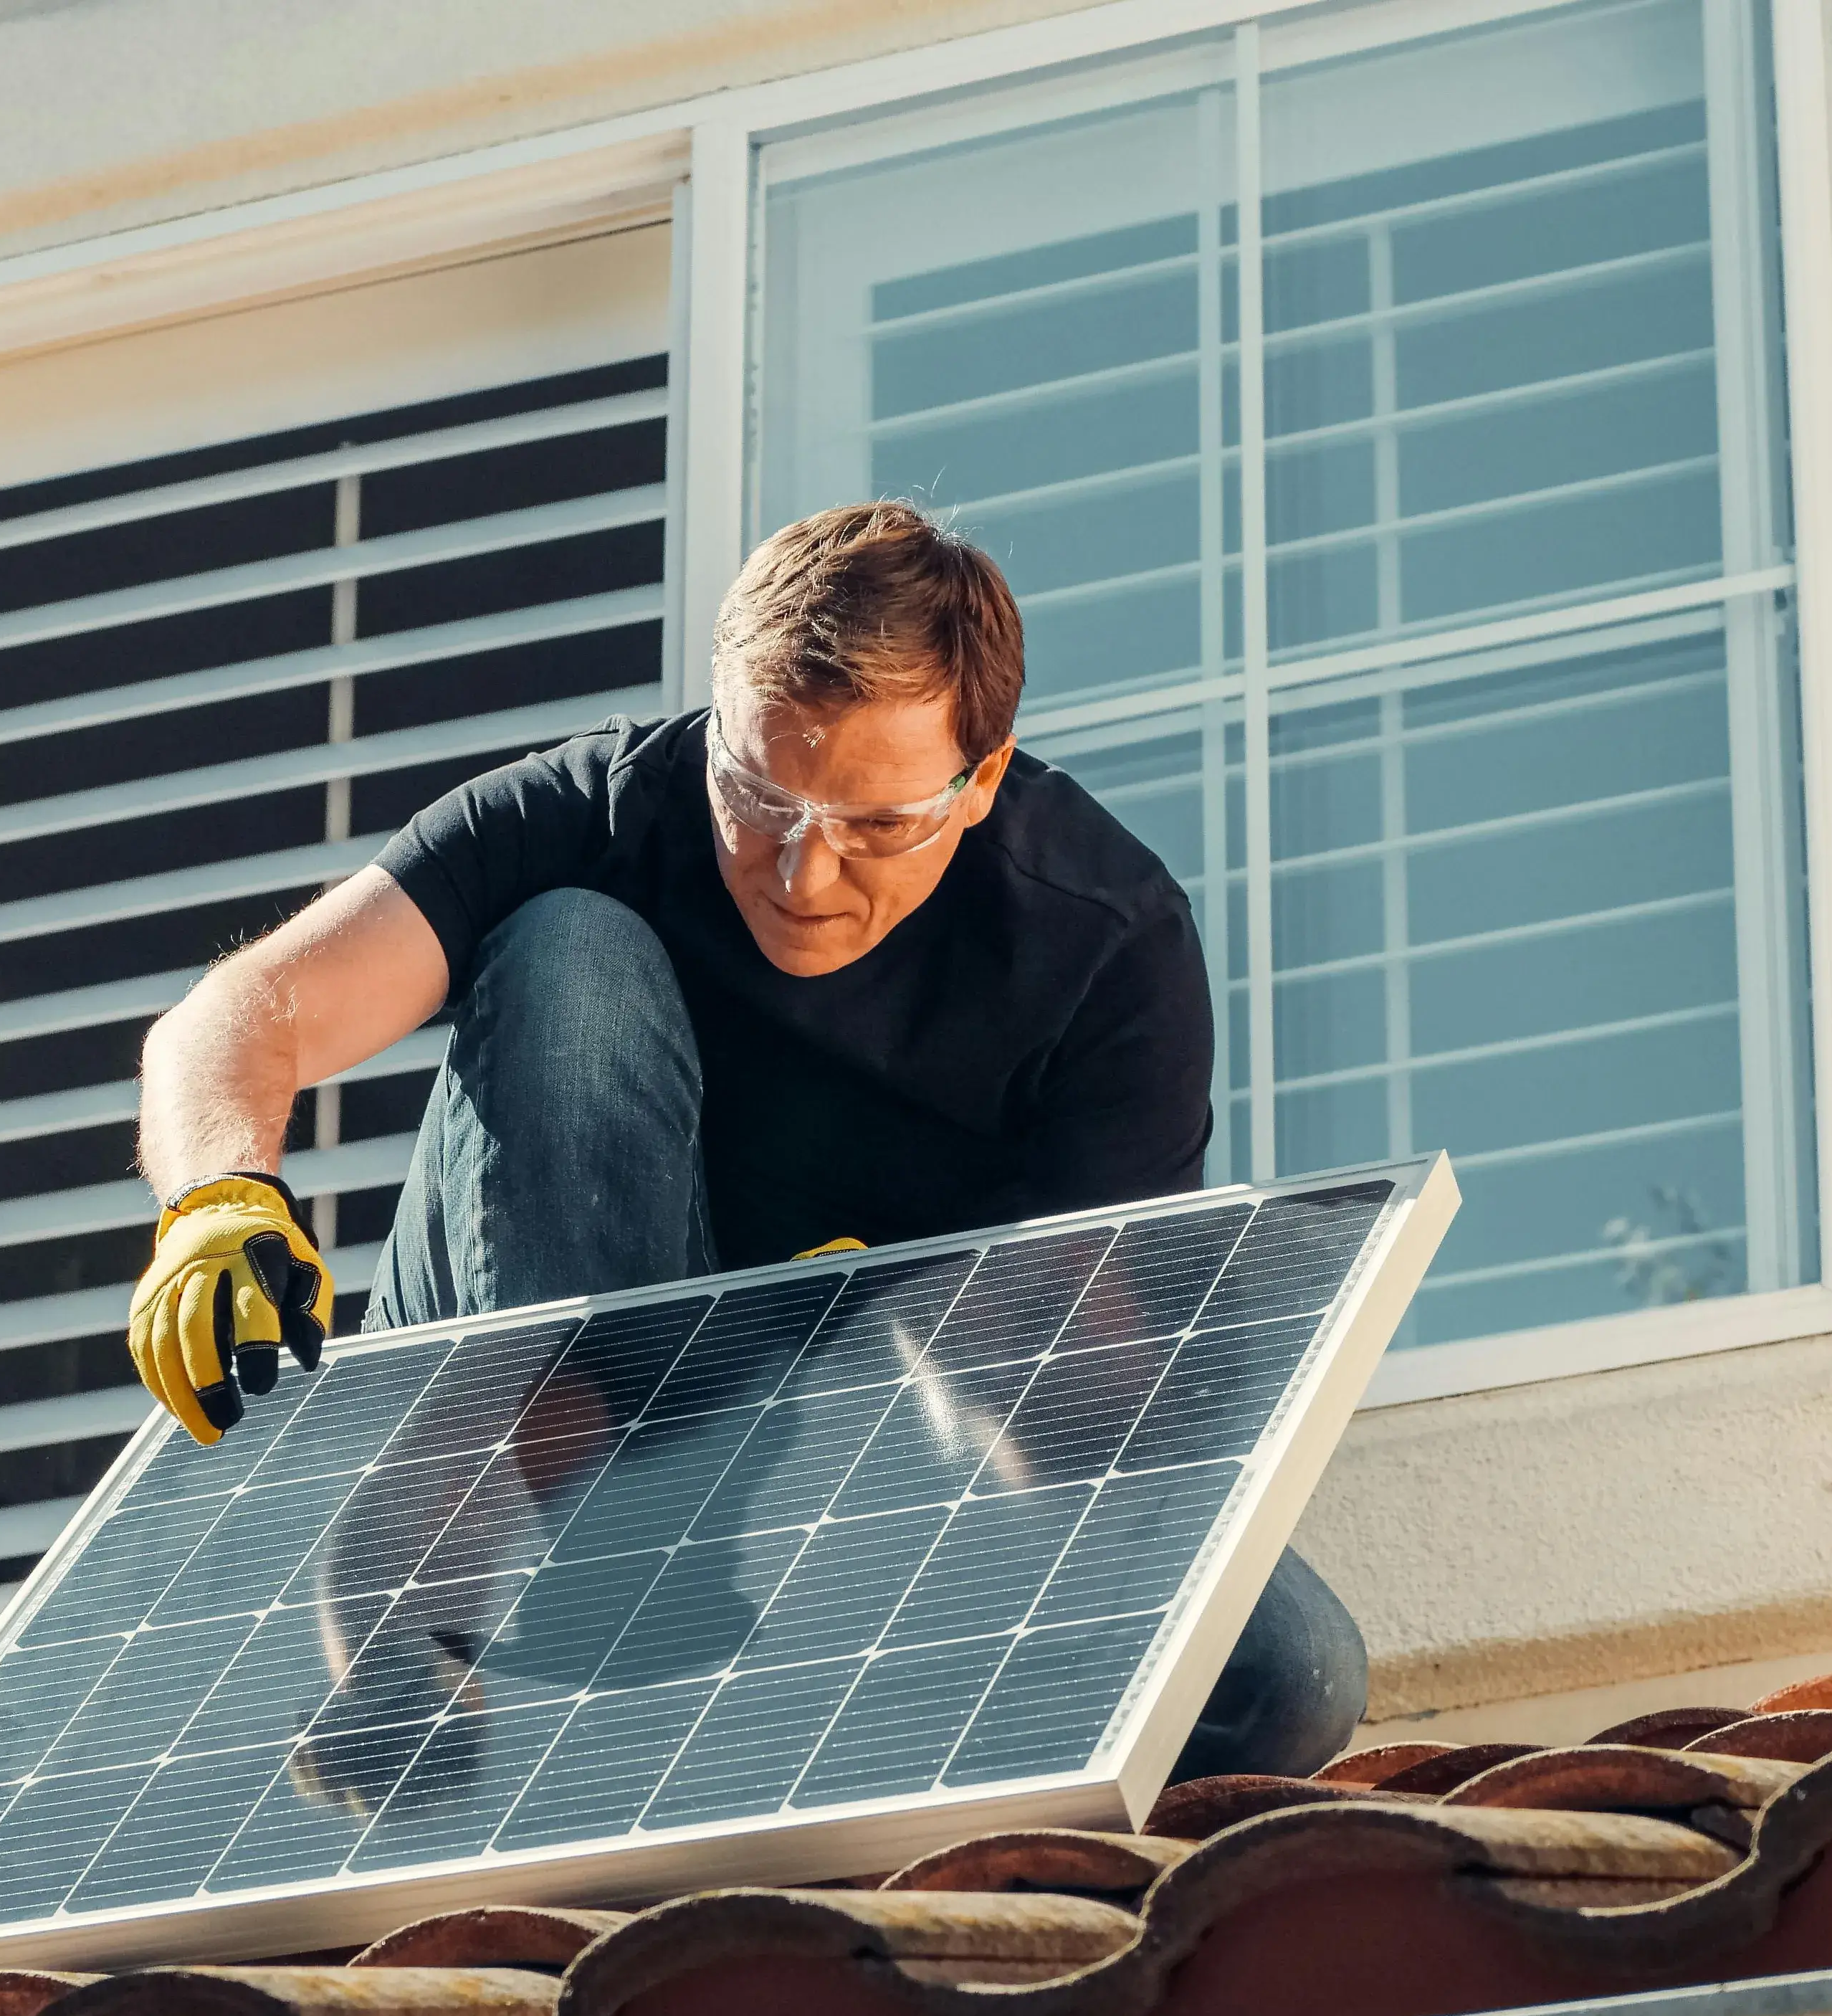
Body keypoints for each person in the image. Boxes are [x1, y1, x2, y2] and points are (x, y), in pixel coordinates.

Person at [121, 499, 1365, 1783]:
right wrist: (215, 1201)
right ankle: (501, 1553)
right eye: (757, 795)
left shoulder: (1101, 946)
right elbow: (237, 1019)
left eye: (878, 825)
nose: (800, 873)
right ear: (715, 725)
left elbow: (1099, 1423)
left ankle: (761, 1646)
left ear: (981, 780)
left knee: (1282, 1679)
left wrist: (958, 1351)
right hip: (564, 1397)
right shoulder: (595, 809)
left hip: (862, 1460)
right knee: (567, 946)